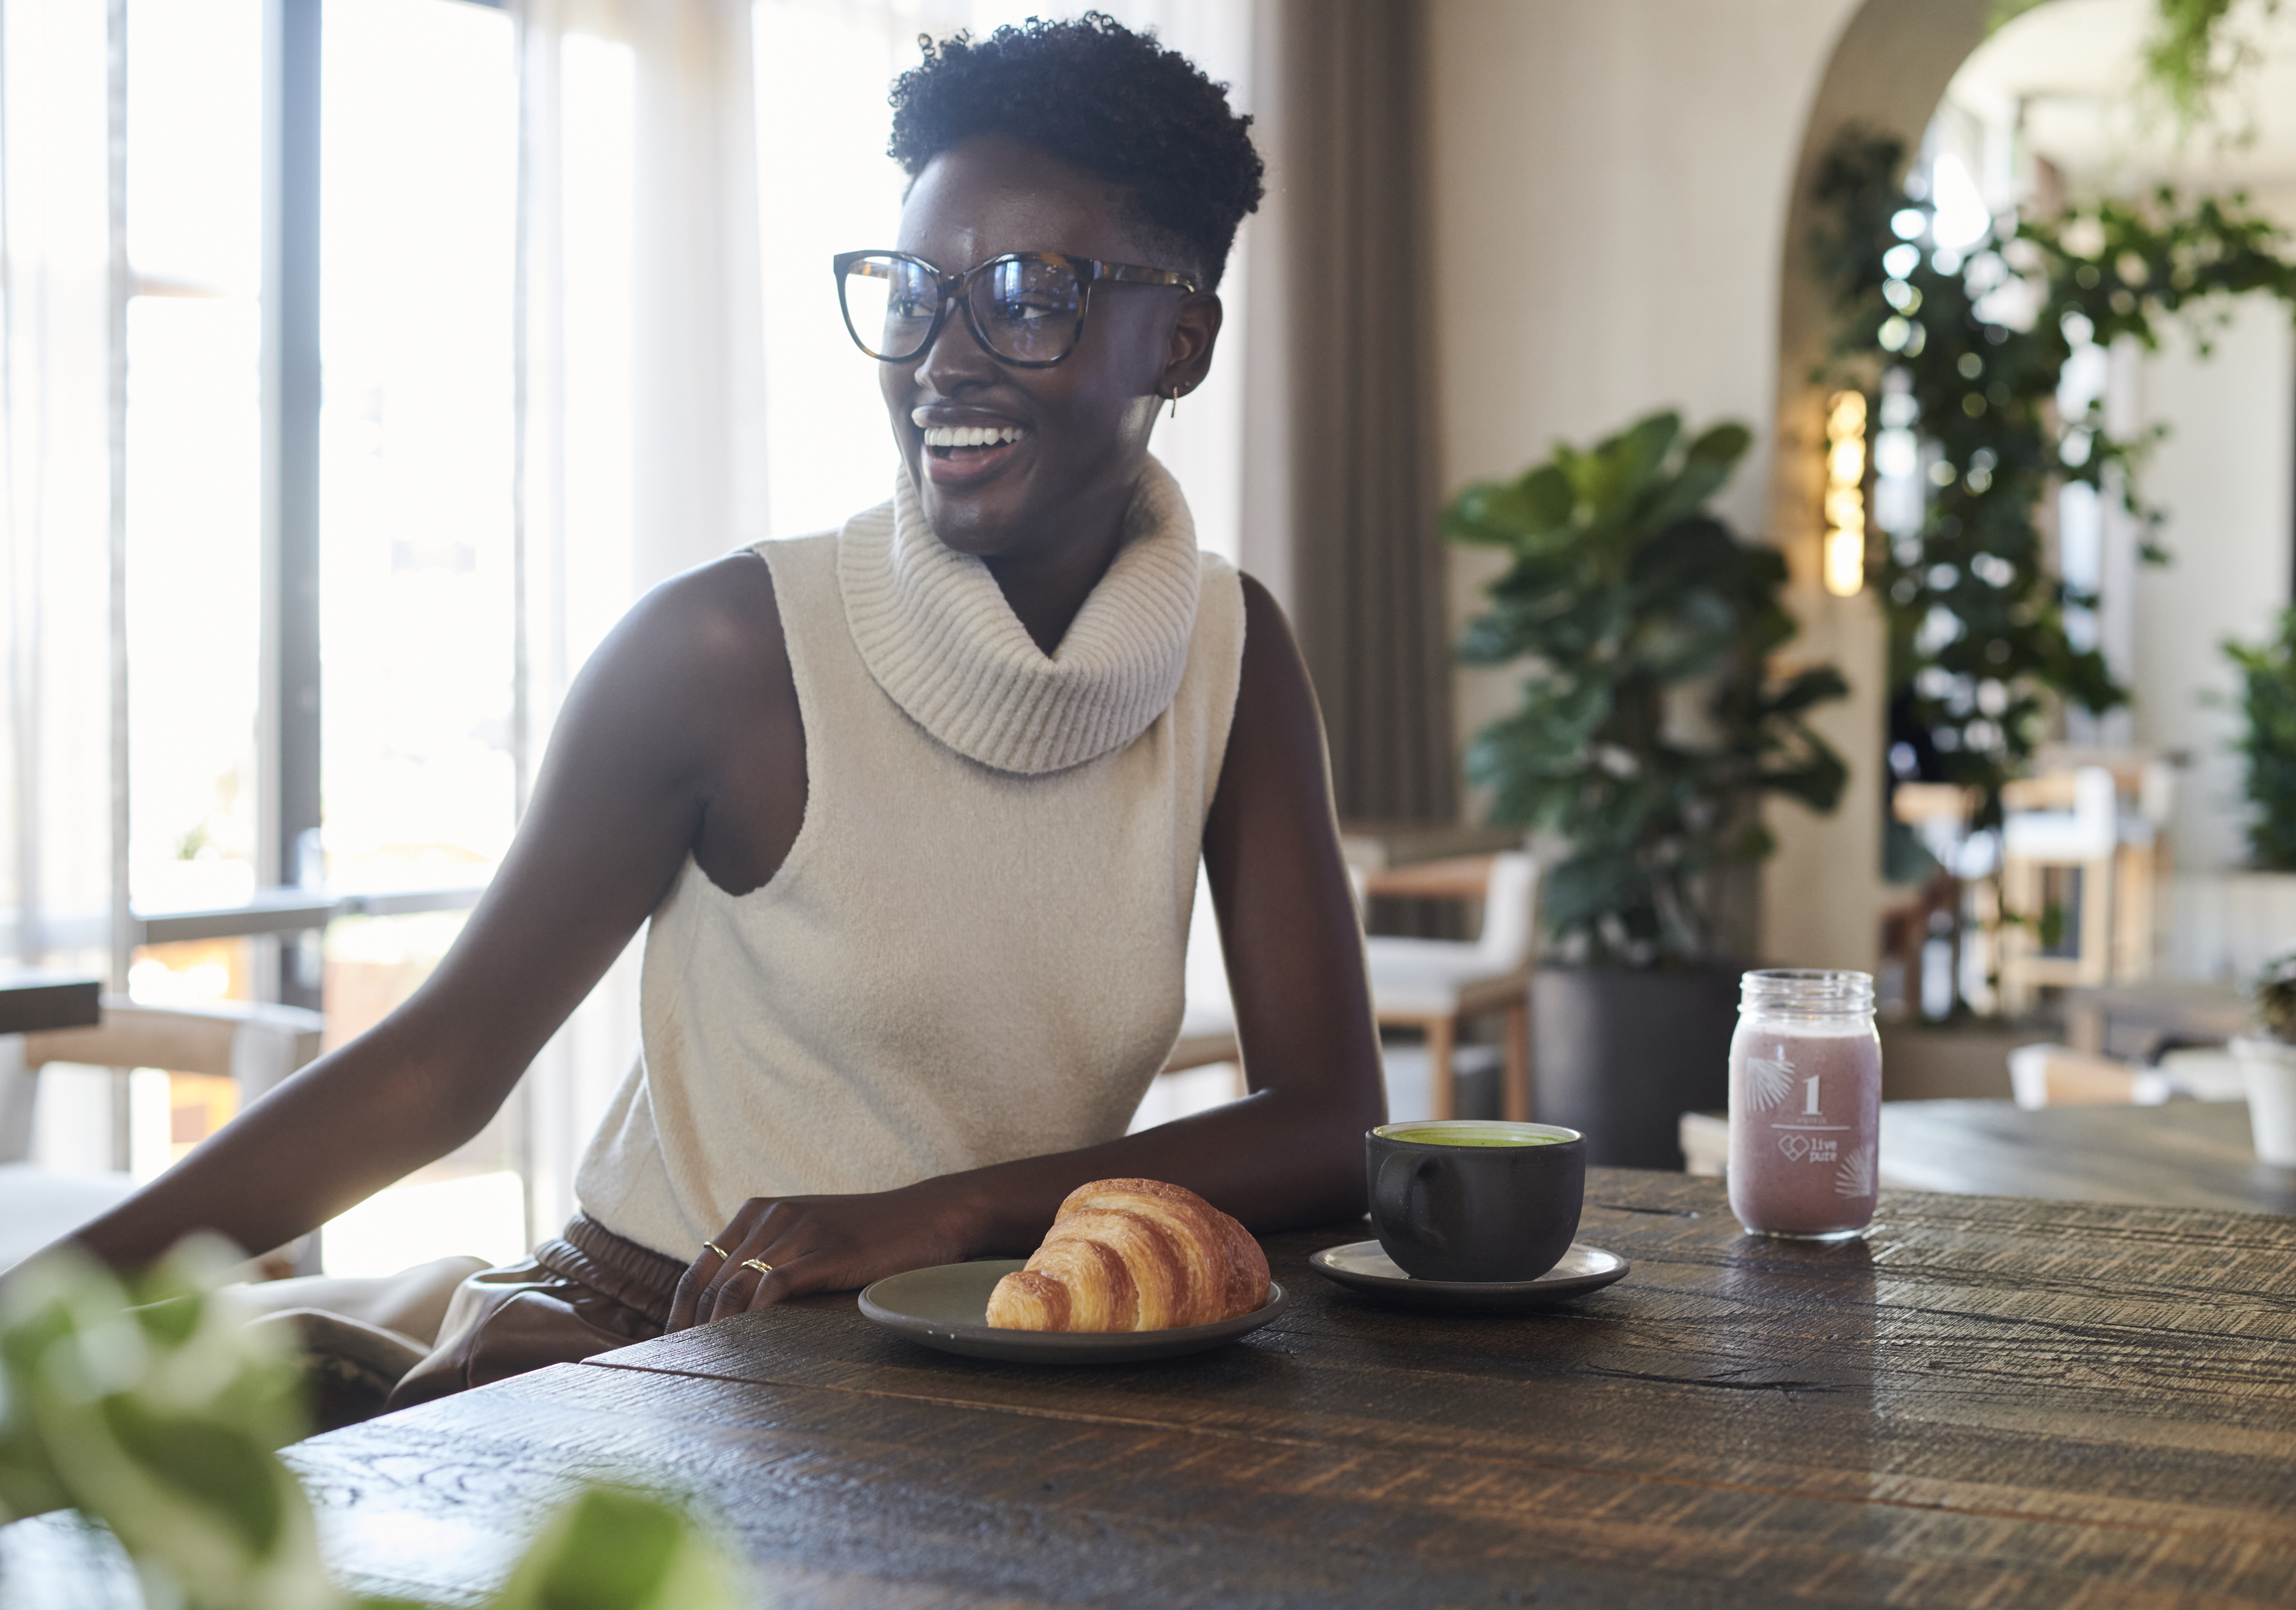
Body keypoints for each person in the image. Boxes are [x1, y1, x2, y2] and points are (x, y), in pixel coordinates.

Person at [42, 15, 1383, 1408]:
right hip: (649, 1339)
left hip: (982, 1367)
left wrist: (953, 1211)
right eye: (914, 293)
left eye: (1026, 295)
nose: (942, 358)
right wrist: (32, 1304)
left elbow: (1333, 1121)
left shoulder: (1231, 653)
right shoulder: (728, 648)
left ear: (1180, 340)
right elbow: (438, 1068)